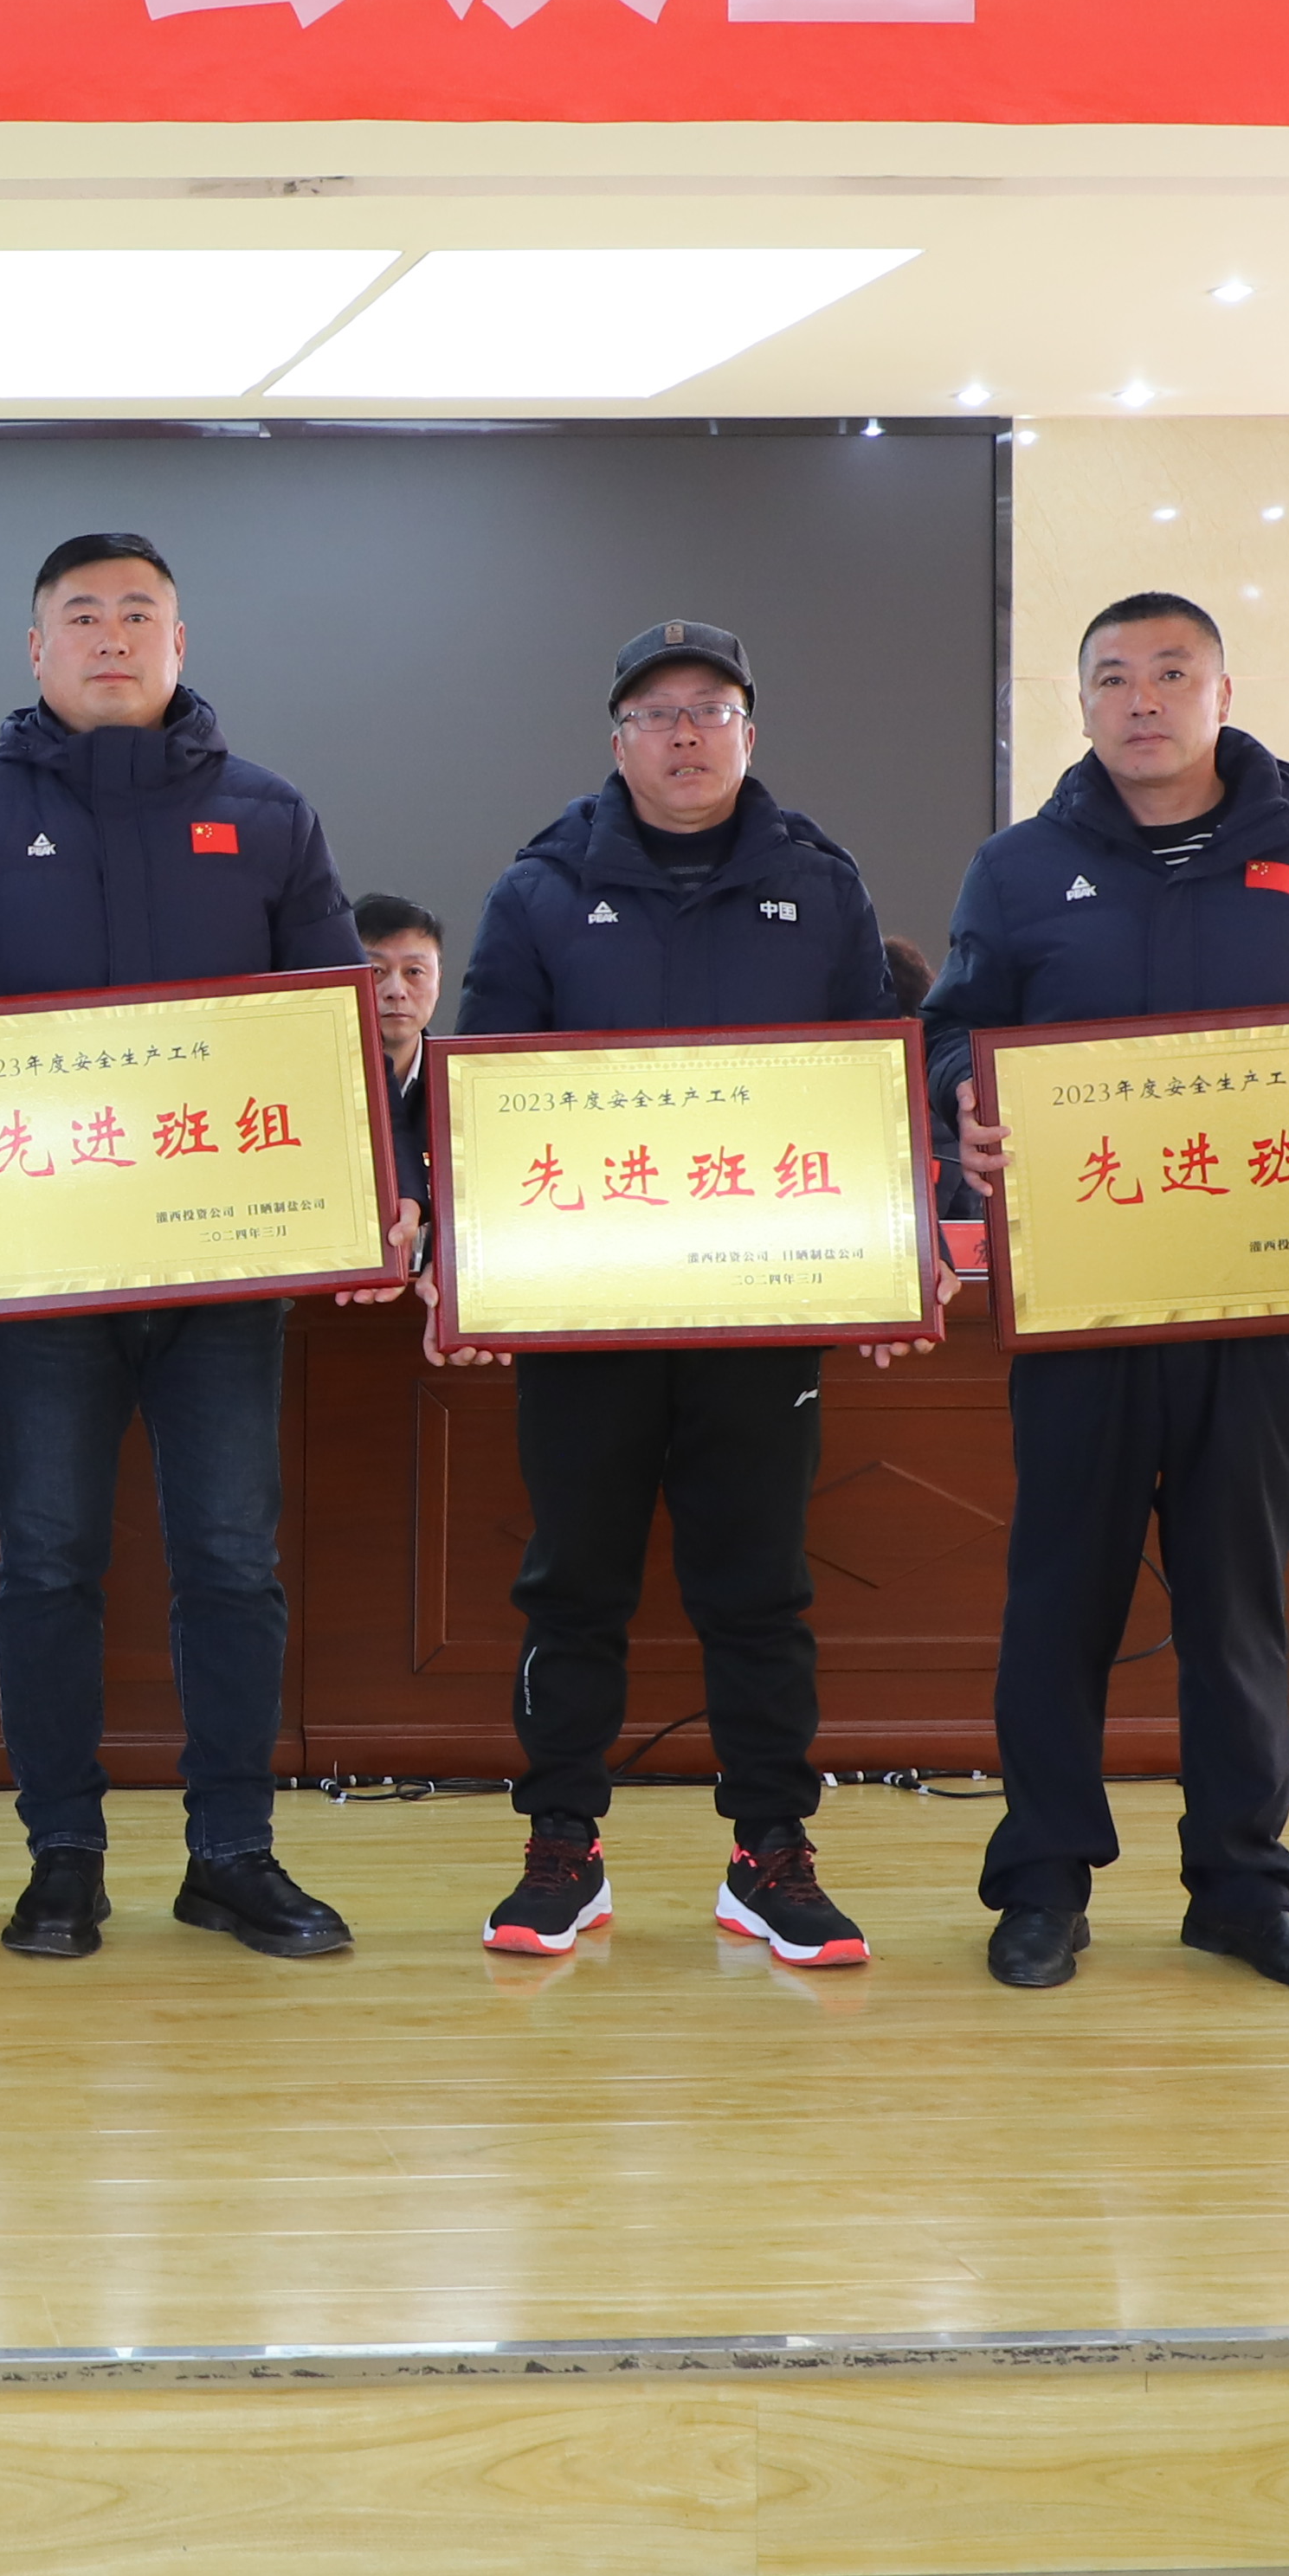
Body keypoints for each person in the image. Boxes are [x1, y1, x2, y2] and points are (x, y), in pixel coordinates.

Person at [925, 592, 1289, 2002]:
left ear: (1222, 694)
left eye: (1171, 673)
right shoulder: (1019, 868)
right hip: (1082, 1301)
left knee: (1238, 1607)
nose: (1142, 699)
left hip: (1260, 1304)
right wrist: (963, 1099)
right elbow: (955, 1025)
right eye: (1112, 677)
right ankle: (1043, 1885)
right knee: (1057, 1603)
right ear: (1081, 704)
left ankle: (1245, 1890)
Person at [0, 531, 424, 1963]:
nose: (113, 636)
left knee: (231, 1558)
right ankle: (64, 1857)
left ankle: (232, 1853)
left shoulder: (268, 817)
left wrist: (390, 1183)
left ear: (180, 642)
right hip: (42, 1265)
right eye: (83, 614)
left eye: (140, 614)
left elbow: (337, 1031)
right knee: (46, 1559)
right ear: (36, 648)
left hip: (224, 1273)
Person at [437, 620, 896, 1970]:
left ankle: (770, 1855)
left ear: (750, 732)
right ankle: (562, 1849)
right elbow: (486, 1092)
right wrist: (471, 1260)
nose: (685, 732)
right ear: (618, 739)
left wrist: (887, 1256)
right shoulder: (541, 889)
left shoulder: (820, 886)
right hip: (587, 1306)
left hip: (764, 1307)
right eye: (656, 712)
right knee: (572, 1585)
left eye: (711, 708)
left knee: (758, 1590)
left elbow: (875, 1078)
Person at [354, 892, 445, 1214]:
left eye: (414, 972)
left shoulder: (460, 1086)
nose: (396, 991)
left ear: (439, 980)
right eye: (376, 971)